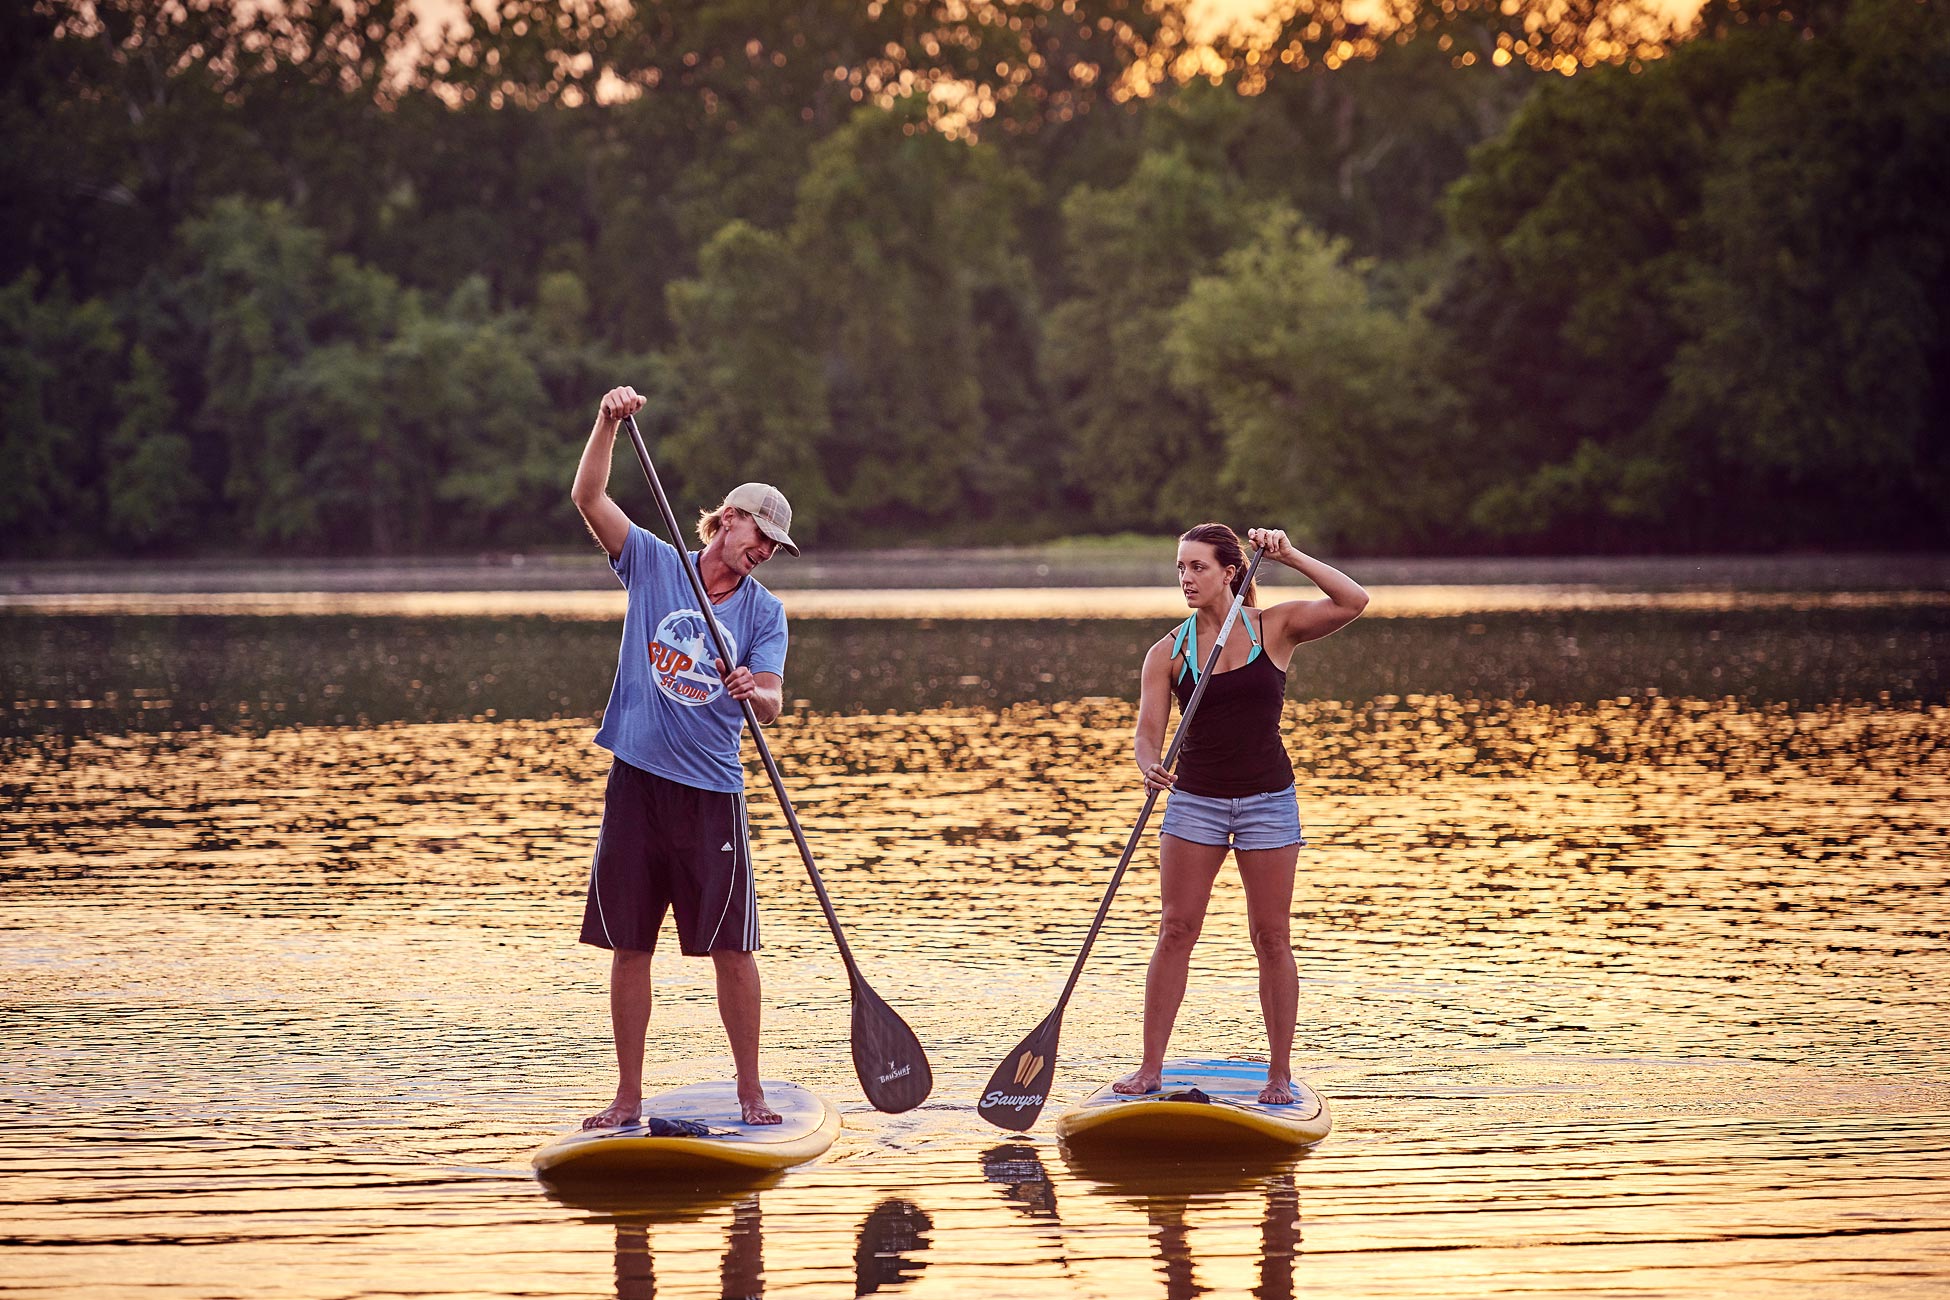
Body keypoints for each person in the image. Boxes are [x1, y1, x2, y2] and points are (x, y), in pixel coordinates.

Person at [570, 384, 800, 1129]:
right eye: (755, 533)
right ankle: (627, 1098)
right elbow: (587, 496)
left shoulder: (765, 612)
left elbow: (772, 700)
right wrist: (607, 422)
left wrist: (751, 694)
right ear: (725, 520)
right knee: (628, 944)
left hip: (711, 793)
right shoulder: (653, 561)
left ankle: (751, 1096)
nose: (761, 551)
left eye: (771, 545)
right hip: (637, 782)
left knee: (732, 950)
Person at [1115, 524, 1369, 1105]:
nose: (1185, 578)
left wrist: (1289, 554)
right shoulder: (1167, 652)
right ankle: (1150, 1069)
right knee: (1176, 929)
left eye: (1198, 567)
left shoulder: (1274, 628)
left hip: (1267, 801)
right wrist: (1148, 765)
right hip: (1195, 802)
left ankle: (1279, 1075)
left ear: (1231, 571)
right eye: (1180, 567)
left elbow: (1354, 601)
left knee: (1271, 936)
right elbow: (1147, 733)